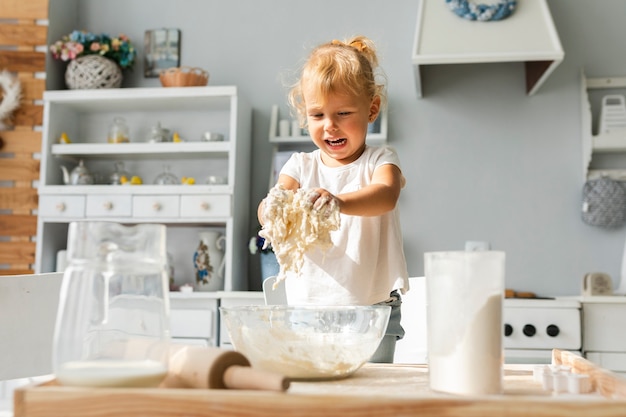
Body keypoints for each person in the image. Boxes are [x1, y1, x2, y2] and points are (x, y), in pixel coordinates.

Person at [258, 35, 409, 363]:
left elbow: (386, 196)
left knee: (370, 397)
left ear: (372, 109)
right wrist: (270, 209)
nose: (330, 126)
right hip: (308, 309)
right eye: (317, 115)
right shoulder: (300, 165)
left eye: (343, 112)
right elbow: (273, 203)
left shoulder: (380, 160)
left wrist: (338, 203)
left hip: (373, 309)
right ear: (304, 115)